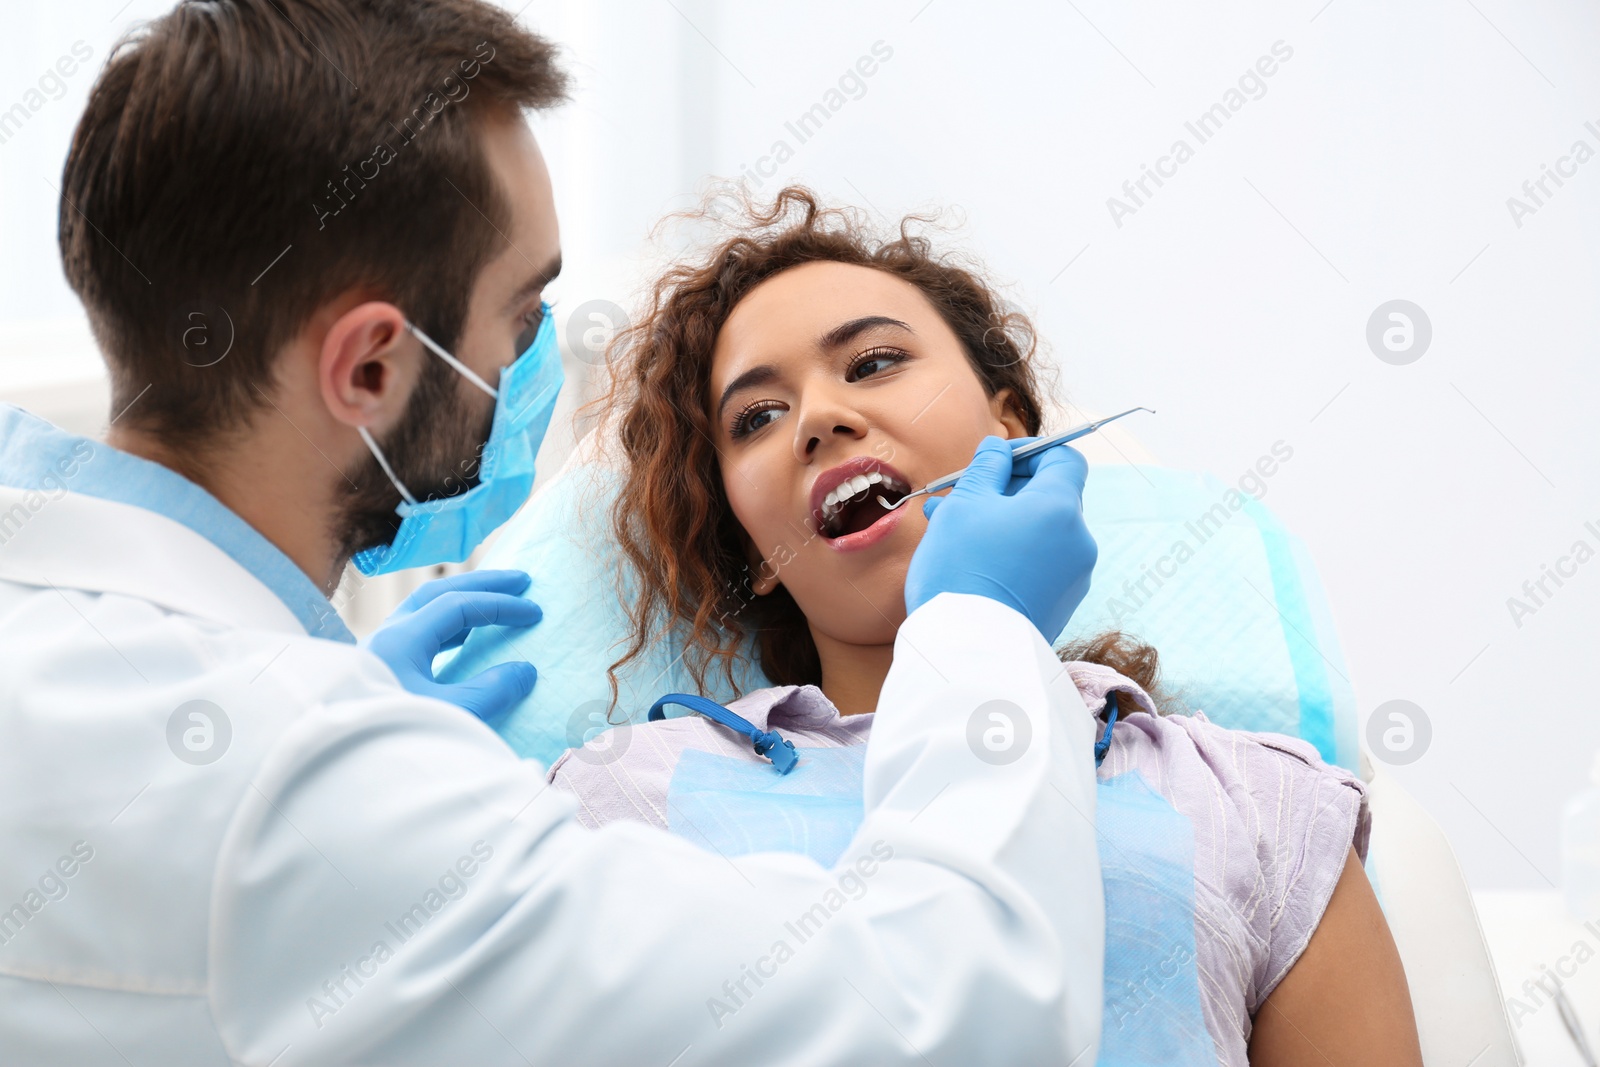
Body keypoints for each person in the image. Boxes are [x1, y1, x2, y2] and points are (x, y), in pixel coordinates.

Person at [0, 4, 1111, 1065]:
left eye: (874, 362)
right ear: (372, 368)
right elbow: (965, 1013)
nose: (822, 418)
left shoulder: (1259, 788)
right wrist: (980, 630)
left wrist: (326, 694)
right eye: (523, 315)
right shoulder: (325, 787)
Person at [549, 186, 1426, 1065]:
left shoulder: (1255, 807)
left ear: (1009, 431)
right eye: (758, 418)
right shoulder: (614, 806)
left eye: (873, 362)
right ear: (759, 555)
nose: (818, 419)